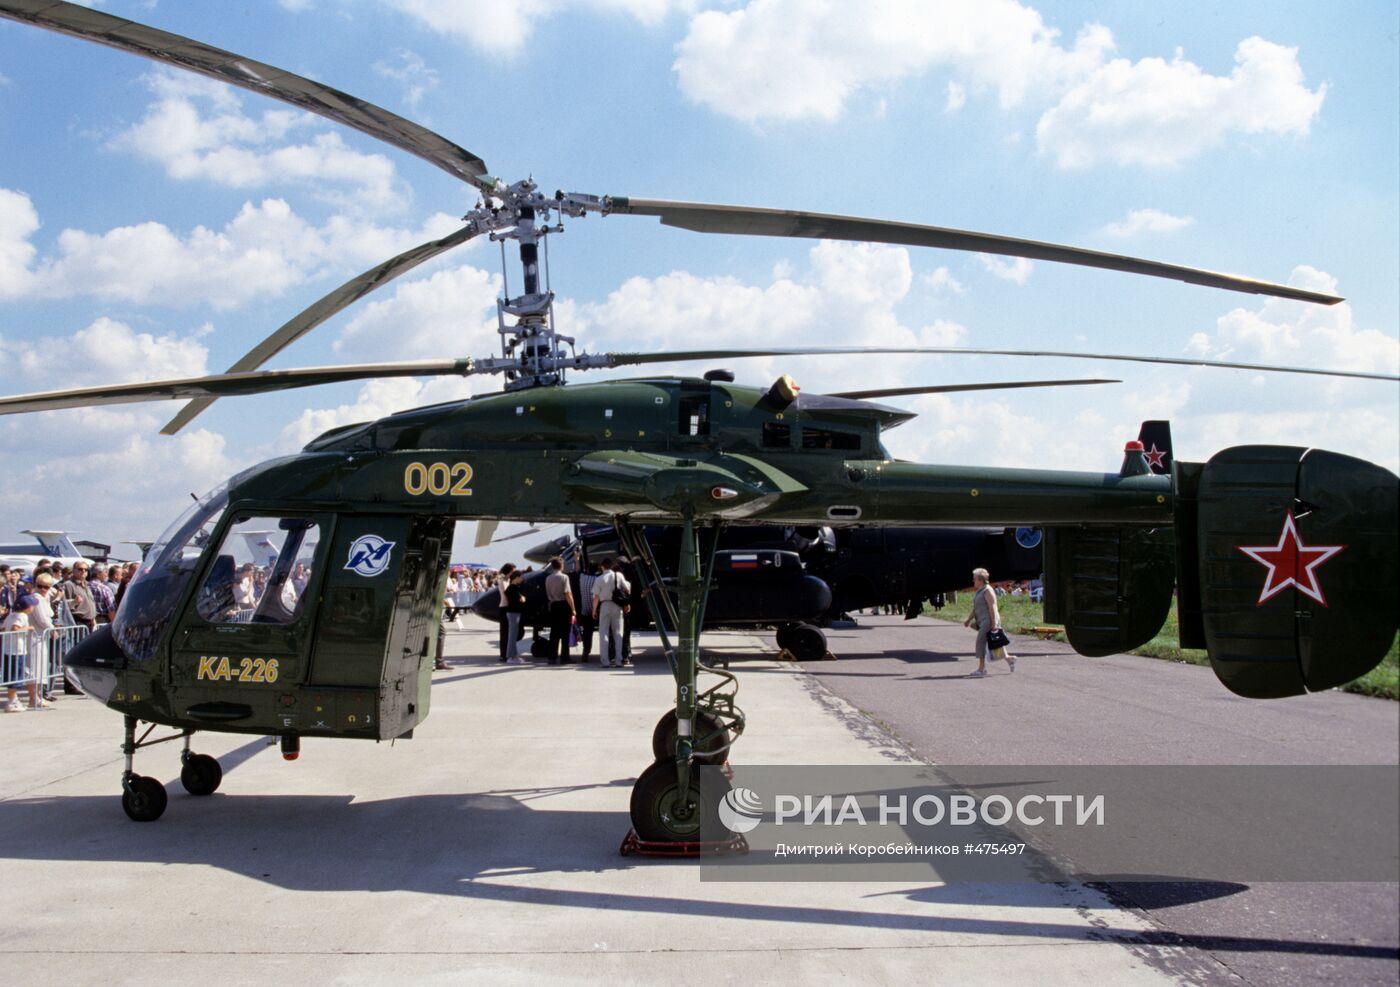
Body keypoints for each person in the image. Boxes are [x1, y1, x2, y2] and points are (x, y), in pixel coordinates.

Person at [963, 567, 1014, 677]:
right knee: (993, 643)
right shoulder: (980, 591)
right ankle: (1009, 659)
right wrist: (968, 620)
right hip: (982, 620)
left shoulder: (987, 590)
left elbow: (993, 607)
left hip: (989, 620)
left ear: (980, 580)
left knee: (980, 642)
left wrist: (994, 624)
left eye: (974, 578)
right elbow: (976, 609)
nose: (973, 580)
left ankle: (981, 669)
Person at [3, 595, 49, 711]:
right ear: (27, 607)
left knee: (13, 676)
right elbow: (15, 628)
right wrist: (28, 628)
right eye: (32, 606)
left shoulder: (11, 615)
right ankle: (11, 701)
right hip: (16, 650)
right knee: (15, 676)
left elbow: (3, 628)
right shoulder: (22, 616)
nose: (33, 608)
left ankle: (13, 699)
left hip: (9, 649)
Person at [592, 557, 631, 669]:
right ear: (612, 565)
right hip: (617, 606)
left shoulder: (599, 579)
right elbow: (627, 589)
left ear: (602, 567)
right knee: (618, 633)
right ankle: (619, 661)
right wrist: (627, 603)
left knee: (603, 633)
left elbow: (596, 597)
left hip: (604, 605)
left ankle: (605, 661)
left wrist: (594, 610)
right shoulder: (618, 575)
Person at [544, 555, 576, 664]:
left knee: (554, 632)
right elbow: (567, 593)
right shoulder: (564, 577)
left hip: (553, 605)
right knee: (565, 632)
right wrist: (573, 608)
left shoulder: (548, 578)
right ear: (561, 565)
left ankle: (552, 657)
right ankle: (564, 657)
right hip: (563, 605)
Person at [502, 571, 528, 665]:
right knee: (512, 636)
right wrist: (522, 598)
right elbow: (522, 599)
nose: (522, 579)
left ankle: (514, 655)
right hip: (514, 613)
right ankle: (510, 656)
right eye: (521, 577)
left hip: (513, 612)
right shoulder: (513, 588)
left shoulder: (511, 587)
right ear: (516, 577)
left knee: (513, 635)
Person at [494, 563, 517, 662]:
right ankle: (503, 654)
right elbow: (506, 593)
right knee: (504, 632)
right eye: (512, 571)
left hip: (507, 606)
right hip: (504, 606)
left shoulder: (507, 580)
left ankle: (506, 653)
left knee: (508, 632)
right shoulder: (502, 580)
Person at [577, 563, 599, 661]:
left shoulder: (582, 578)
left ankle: (585, 651)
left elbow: (578, 570)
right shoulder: (597, 579)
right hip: (595, 610)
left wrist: (577, 559)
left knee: (587, 632)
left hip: (585, 609)